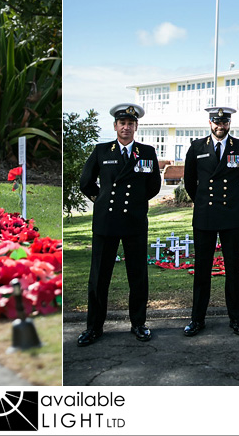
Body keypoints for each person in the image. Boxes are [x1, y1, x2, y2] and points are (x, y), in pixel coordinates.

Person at [77, 103, 161, 346]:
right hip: (106, 221)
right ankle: (93, 327)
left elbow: (153, 186)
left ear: (136, 127)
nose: (126, 127)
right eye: (122, 123)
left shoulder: (146, 152)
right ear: (115, 126)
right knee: (99, 277)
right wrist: (101, 200)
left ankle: (138, 324)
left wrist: (135, 202)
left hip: (134, 221)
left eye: (131, 124)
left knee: (138, 276)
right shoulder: (102, 151)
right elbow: (86, 182)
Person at [182, 106, 239, 337]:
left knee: (233, 269)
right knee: (202, 270)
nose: (220, 126)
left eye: (224, 123)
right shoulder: (197, 147)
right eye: (217, 122)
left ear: (229, 124)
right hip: (205, 216)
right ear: (210, 122)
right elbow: (190, 182)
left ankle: (236, 318)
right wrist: (203, 202)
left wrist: (233, 201)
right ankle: (197, 320)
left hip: (231, 216)